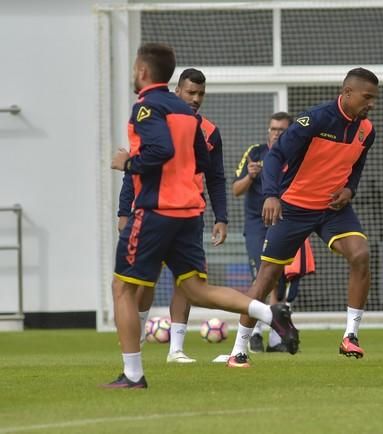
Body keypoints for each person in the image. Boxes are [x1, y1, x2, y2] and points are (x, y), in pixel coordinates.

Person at [104, 43, 297, 389]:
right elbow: (203, 166)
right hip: (190, 212)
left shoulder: (146, 108)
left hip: (156, 211)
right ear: (176, 84)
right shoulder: (191, 118)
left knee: (122, 287)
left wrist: (127, 164)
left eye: (135, 67)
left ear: (144, 72)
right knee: (195, 288)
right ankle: (270, 314)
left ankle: (133, 374)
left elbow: (158, 152)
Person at [226, 67, 378, 368]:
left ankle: (351, 336)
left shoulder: (367, 130)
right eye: (367, 97)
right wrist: (271, 194)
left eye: (375, 98)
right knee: (266, 279)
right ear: (347, 93)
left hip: (333, 209)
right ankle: (239, 349)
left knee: (360, 254)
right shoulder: (315, 119)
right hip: (293, 207)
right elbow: (276, 156)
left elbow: (357, 164)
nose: (371, 103)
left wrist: (350, 189)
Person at [117, 67, 228, 364]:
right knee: (145, 279)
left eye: (201, 94)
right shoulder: (155, 120)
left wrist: (222, 217)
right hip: (153, 211)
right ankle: (135, 340)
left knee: (186, 281)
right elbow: (135, 169)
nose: (196, 99)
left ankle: (176, 349)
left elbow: (215, 176)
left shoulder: (210, 131)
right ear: (177, 91)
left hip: (190, 212)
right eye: (191, 92)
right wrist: (123, 211)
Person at [231, 112, 315, 355]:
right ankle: (254, 332)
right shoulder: (255, 152)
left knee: (283, 279)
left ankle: (276, 338)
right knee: (262, 275)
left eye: (281, 130)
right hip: (257, 223)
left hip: (285, 220)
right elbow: (236, 189)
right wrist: (251, 176)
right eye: (273, 129)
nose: (276, 133)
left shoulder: (297, 154)